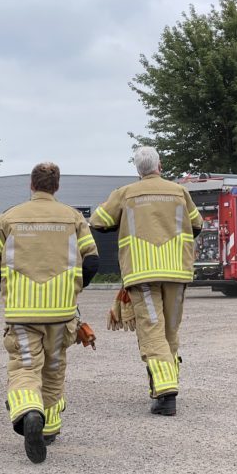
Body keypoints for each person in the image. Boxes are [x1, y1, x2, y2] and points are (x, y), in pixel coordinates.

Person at [0, 163, 99, 464]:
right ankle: (48, 429)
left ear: (31, 185)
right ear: (56, 187)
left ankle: (29, 412)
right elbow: (92, 262)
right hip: (61, 312)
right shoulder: (74, 218)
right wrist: (72, 291)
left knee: (24, 368)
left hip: (22, 312)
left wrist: (10, 290)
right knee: (54, 370)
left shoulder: (8, 217)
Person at [90, 146, 202, 416]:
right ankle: (163, 385)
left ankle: (165, 390)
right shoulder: (179, 192)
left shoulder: (126, 193)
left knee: (152, 330)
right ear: (159, 166)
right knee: (169, 332)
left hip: (142, 272)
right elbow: (197, 225)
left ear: (137, 170)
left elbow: (97, 221)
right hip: (177, 271)